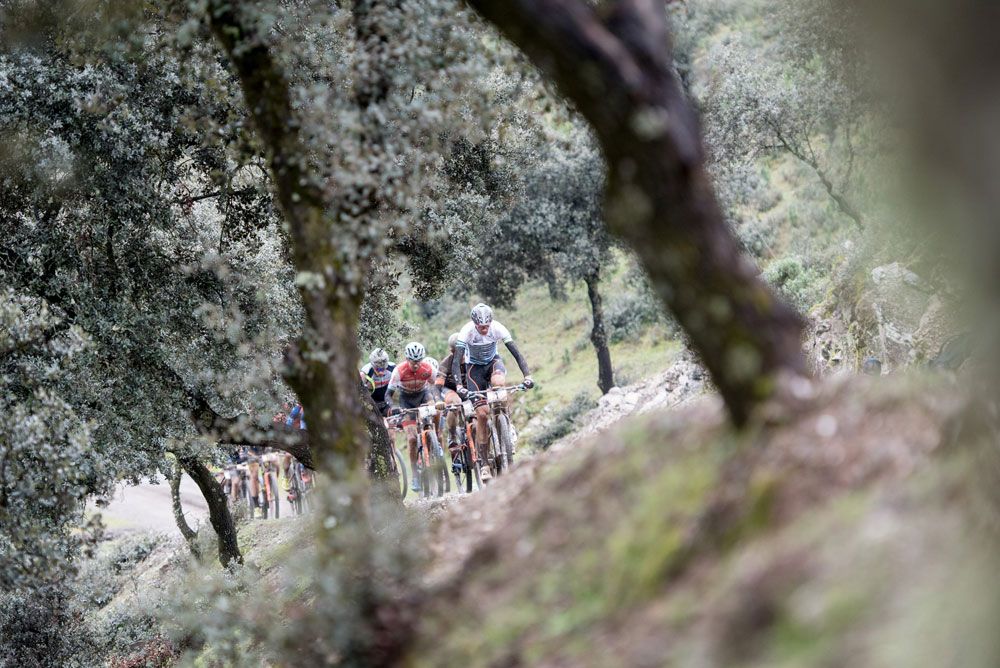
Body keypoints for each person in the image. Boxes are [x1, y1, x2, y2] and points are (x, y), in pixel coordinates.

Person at [453, 303, 534, 475]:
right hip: (473, 369)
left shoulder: (498, 329)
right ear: (475, 324)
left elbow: (517, 354)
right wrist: (459, 385)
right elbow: (456, 361)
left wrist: (527, 376)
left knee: (498, 382)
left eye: (486, 326)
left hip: (492, 363)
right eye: (481, 327)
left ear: (491, 322)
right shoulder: (466, 332)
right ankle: (484, 464)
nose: (484, 329)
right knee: (482, 414)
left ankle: (506, 424)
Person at [386, 341, 440, 492]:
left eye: (418, 361)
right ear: (407, 358)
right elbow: (388, 395)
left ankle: (435, 440)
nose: (416, 365)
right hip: (406, 400)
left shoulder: (428, 368)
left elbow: (436, 386)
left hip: (423, 395)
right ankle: (415, 476)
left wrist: (438, 400)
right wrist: (393, 407)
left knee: (435, 408)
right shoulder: (399, 370)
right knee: (411, 439)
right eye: (412, 361)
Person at [437, 333, 468, 467]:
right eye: (458, 352)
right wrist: (438, 400)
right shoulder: (446, 362)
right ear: (452, 351)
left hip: (467, 389)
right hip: (450, 390)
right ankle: (452, 437)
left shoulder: (471, 359)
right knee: (455, 403)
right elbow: (437, 386)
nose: (462, 354)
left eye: (464, 350)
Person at [360, 347, 396, 416]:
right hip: (371, 405)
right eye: (378, 369)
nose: (381, 373)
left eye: (383, 369)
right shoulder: (365, 372)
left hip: (386, 403)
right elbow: (359, 395)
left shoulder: (393, 368)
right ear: (373, 365)